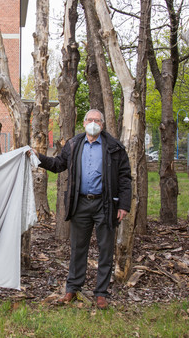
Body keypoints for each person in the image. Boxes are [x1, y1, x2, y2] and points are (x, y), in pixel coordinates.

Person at [31, 109, 131, 309]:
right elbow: (59, 164)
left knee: (105, 249)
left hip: (105, 204)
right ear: (84, 123)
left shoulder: (114, 147)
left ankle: (101, 293)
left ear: (102, 125)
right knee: (78, 248)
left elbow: (125, 177)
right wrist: (38, 157)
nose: (93, 123)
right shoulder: (74, 144)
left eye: (97, 120)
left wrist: (124, 205)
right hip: (81, 203)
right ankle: (72, 288)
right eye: (90, 120)